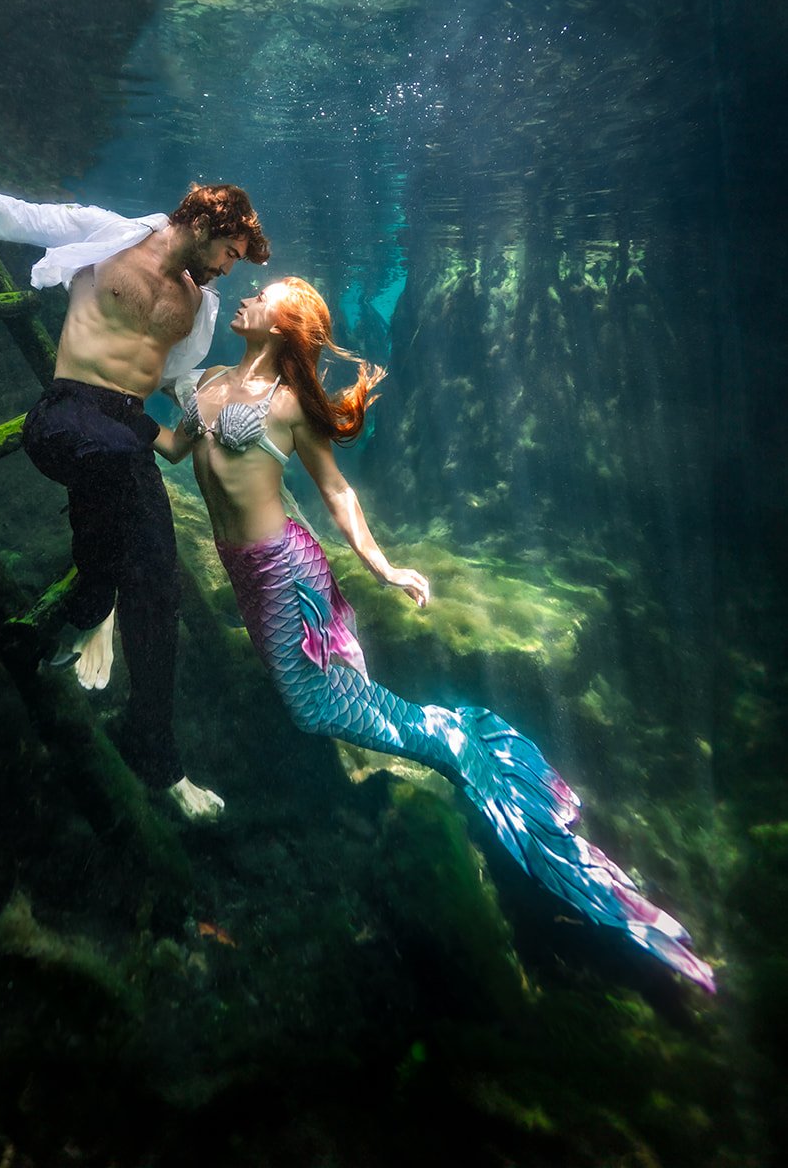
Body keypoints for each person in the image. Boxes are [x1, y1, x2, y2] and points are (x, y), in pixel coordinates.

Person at [151, 276, 716, 991]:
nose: (243, 299)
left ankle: (455, 743)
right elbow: (173, 448)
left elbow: (334, 489)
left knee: (314, 706)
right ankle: (450, 733)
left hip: (282, 569)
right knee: (324, 702)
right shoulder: (204, 382)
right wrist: (107, 409)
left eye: (259, 296)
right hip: (247, 573)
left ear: (283, 325)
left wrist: (383, 567)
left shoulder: (290, 405)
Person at [0, 159, 270, 820]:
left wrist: (207, 414)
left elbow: (177, 385)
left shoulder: (200, 304)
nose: (227, 267)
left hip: (127, 430)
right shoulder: (111, 235)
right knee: (117, 464)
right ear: (205, 221)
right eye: (229, 251)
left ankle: (155, 758)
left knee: (159, 586)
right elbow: (17, 214)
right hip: (65, 414)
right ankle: (94, 605)